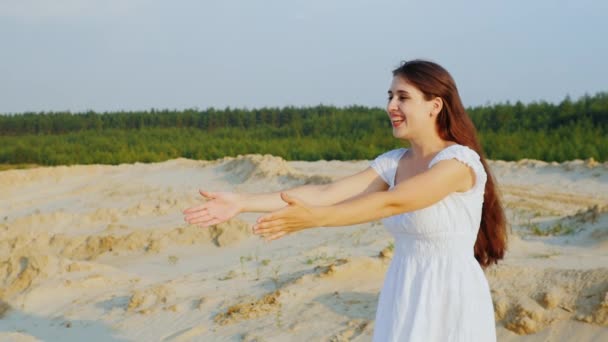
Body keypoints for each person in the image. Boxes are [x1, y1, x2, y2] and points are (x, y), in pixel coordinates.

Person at [183, 59, 507, 341]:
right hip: (403, 287)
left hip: (449, 292)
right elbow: (326, 193)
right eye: (390, 96)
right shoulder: (394, 162)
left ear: (434, 105)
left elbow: (394, 202)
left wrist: (316, 219)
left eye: (403, 97)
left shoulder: (458, 163)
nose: (391, 106)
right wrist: (241, 201)